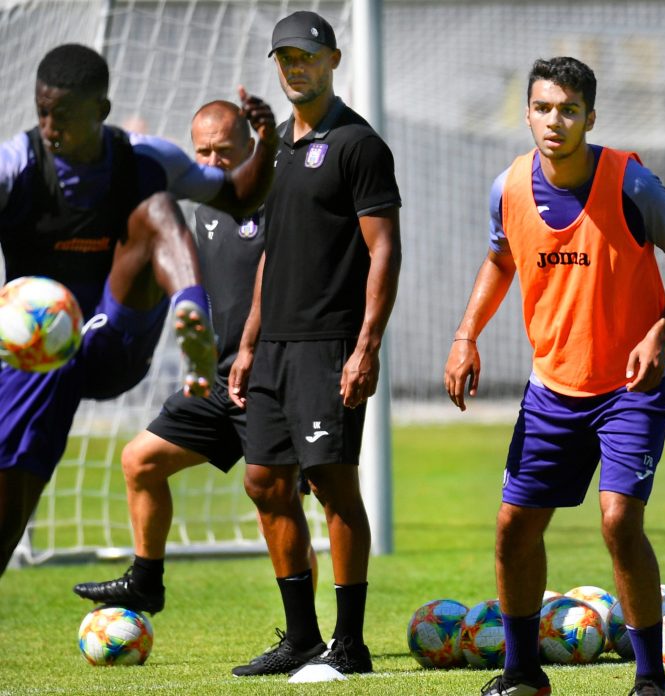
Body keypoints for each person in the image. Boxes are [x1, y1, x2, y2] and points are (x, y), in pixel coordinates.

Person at [444, 57, 665, 696]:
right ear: (528, 113)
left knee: (619, 520)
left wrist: (660, 334)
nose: (553, 121)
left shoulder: (630, 182)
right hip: (552, 389)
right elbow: (498, 260)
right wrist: (466, 334)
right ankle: (521, 673)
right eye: (542, 108)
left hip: (631, 386)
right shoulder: (507, 187)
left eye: (568, 110)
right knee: (514, 526)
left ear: (591, 117)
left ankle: (650, 680)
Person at [0, 44, 277, 577]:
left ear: (100, 112)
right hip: (35, 356)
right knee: (11, 503)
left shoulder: (143, 158)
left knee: (156, 206)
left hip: (113, 338)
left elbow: (240, 195)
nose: (50, 126)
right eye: (42, 112)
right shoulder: (16, 168)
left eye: (64, 114)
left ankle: (190, 314)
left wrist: (264, 143)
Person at [71, 101, 318, 613]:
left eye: (223, 151)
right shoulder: (204, 209)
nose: (211, 160)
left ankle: (306, 636)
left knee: (273, 503)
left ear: (251, 146)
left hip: (272, 382)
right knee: (140, 460)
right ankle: (146, 580)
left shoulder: (283, 200)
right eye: (201, 150)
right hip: (218, 381)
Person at [227, 11, 401, 678]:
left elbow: (384, 250)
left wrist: (367, 346)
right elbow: (272, 254)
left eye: (306, 55)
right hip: (272, 348)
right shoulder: (280, 154)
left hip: (330, 346)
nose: (295, 66)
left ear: (330, 60)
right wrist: (248, 342)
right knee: (264, 481)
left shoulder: (358, 144)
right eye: (285, 57)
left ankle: (349, 644)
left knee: (332, 486)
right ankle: (300, 638)